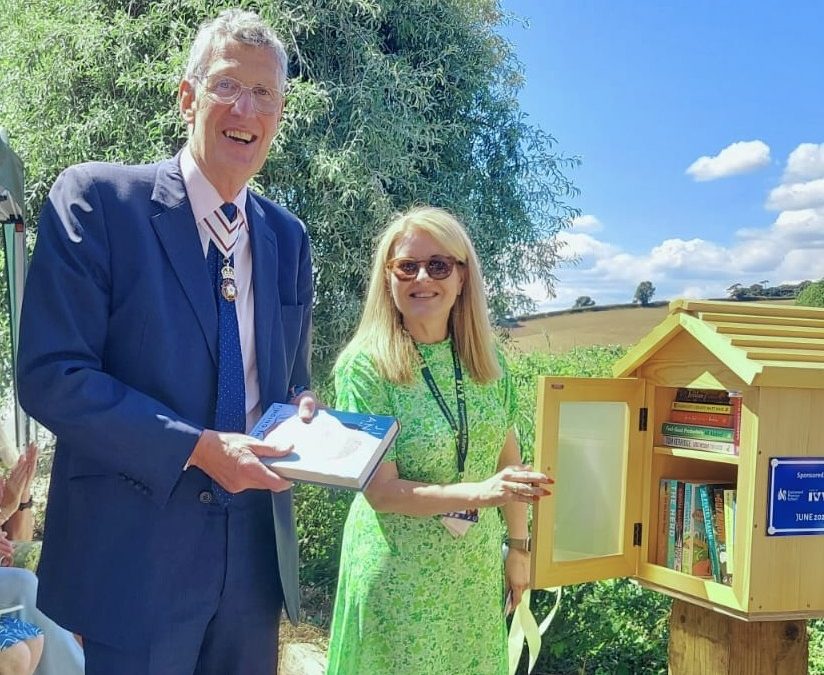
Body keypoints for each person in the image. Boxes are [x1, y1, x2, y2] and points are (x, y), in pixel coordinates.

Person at [17, 8, 315, 674]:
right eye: (227, 85)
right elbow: (51, 374)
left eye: (264, 92)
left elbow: (289, 384)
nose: (247, 107)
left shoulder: (288, 238)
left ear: (280, 112)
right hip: (133, 568)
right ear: (187, 97)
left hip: (252, 575)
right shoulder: (96, 202)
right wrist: (198, 448)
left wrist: (306, 413)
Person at [325, 206, 553, 674]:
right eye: (406, 266)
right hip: (398, 578)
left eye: (439, 265)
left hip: (471, 575)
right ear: (388, 280)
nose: (422, 277)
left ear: (463, 278)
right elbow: (381, 491)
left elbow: (508, 460)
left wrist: (520, 548)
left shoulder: (487, 364)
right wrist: (481, 492)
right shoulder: (366, 367)